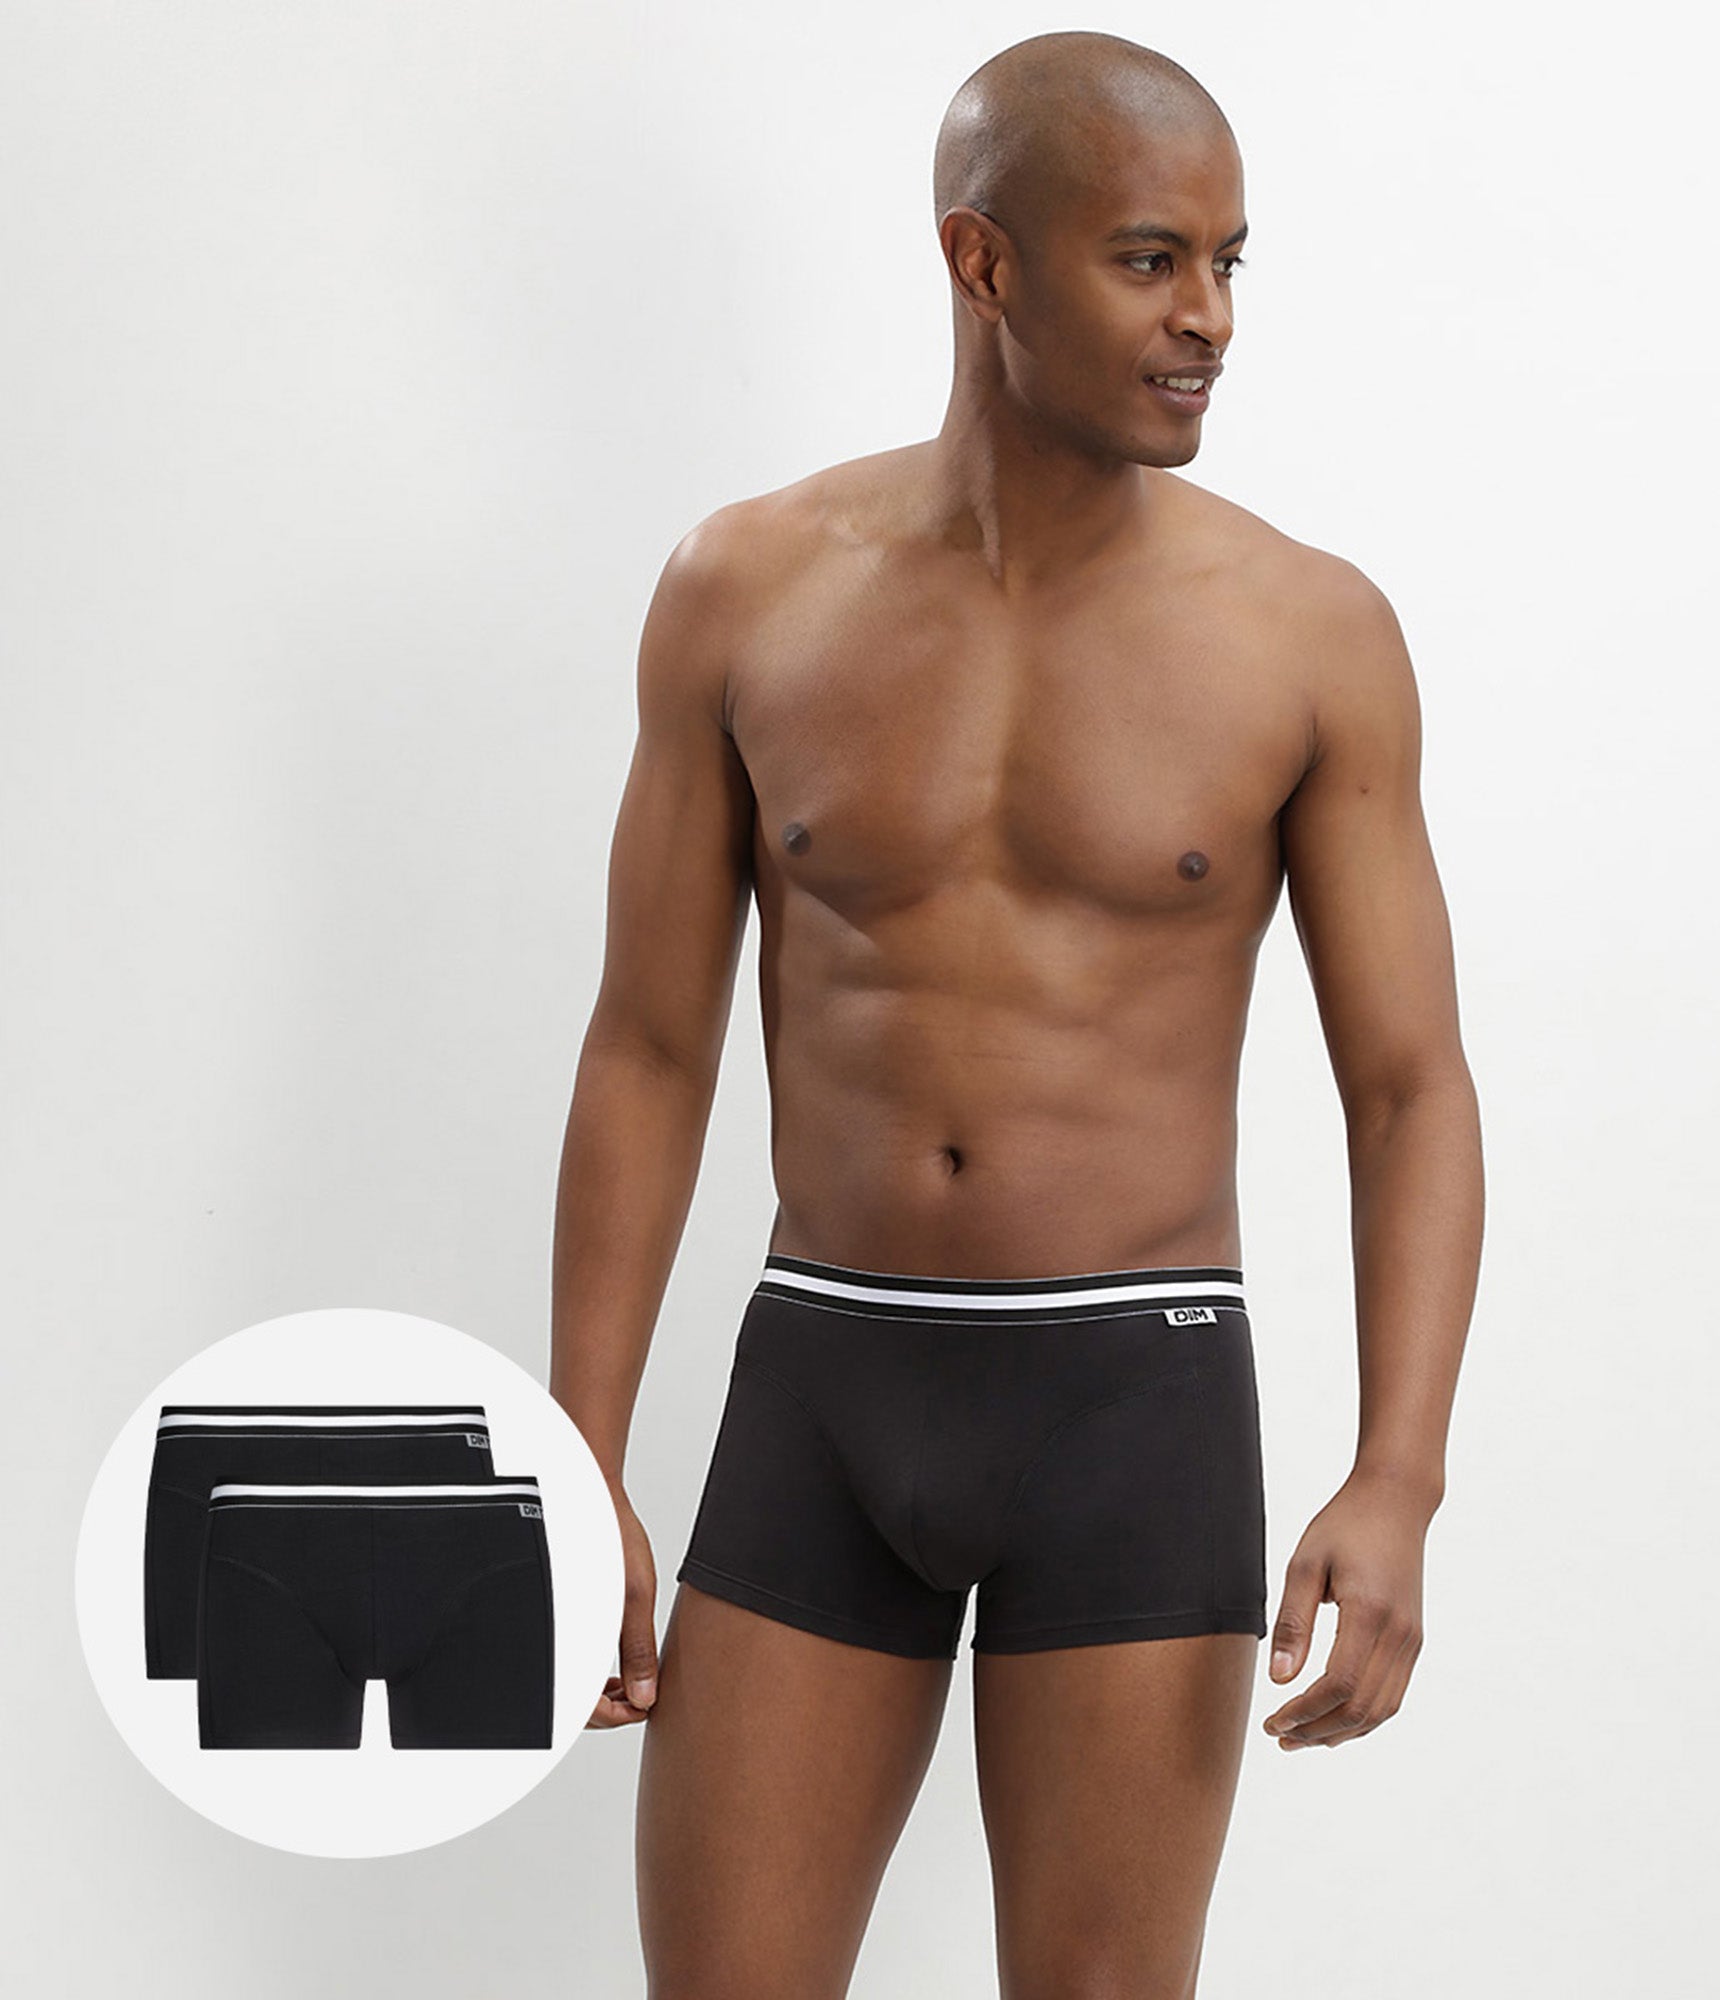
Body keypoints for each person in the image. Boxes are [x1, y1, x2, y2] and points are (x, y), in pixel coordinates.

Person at [550, 27, 1482, 1997]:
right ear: (982, 262)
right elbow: (648, 1043)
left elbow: (1408, 1088)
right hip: (826, 1377)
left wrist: (1399, 1474)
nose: (1209, 316)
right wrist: (582, 1445)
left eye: (1229, 261)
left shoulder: (1309, 637)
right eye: (1151, 259)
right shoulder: (746, 590)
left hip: (1133, 1399)